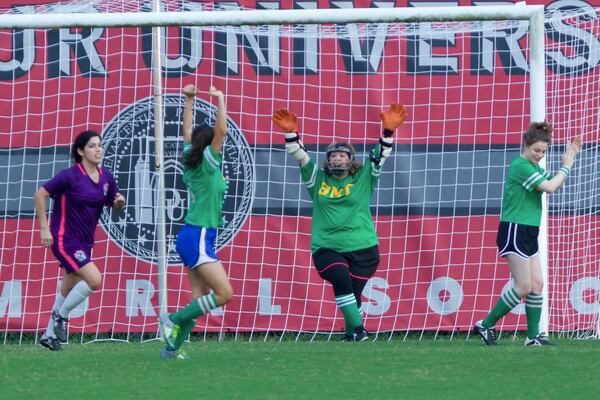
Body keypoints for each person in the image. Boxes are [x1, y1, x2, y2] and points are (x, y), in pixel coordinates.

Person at [272, 104, 407, 341]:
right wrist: (292, 134)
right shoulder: (317, 179)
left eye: (342, 155)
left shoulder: (363, 177)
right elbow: (301, 156)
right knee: (340, 278)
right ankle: (359, 330)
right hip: (327, 246)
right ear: (327, 161)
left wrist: (387, 132)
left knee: (353, 298)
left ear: (350, 160)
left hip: (363, 247)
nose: (337, 159)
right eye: (333, 156)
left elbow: (379, 157)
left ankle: (351, 334)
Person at [474, 122, 582, 346]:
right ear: (525, 145)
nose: (540, 155)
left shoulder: (534, 168)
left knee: (538, 284)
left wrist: (569, 157)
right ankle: (486, 323)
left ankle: (533, 337)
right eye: (536, 150)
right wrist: (566, 165)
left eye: (543, 151)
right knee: (523, 285)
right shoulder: (521, 166)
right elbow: (551, 187)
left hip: (528, 230)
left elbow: (555, 183)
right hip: (515, 228)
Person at [158, 85, 234, 360]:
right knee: (224, 294)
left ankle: (171, 349)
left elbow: (187, 133)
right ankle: (172, 319)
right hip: (199, 235)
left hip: (192, 235)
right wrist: (220, 100)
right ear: (210, 144)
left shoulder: (191, 157)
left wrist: (189, 100)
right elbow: (222, 132)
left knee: (199, 297)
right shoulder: (208, 162)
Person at [34, 130, 126, 351]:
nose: (98, 150)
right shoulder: (70, 176)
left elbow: (115, 200)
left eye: (100, 145)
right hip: (64, 239)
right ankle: (61, 315)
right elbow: (40, 194)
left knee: (67, 289)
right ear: (80, 151)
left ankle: (49, 336)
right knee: (95, 280)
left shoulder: (106, 177)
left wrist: (119, 202)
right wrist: (44, 229)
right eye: (92, 146)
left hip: (85, 242)